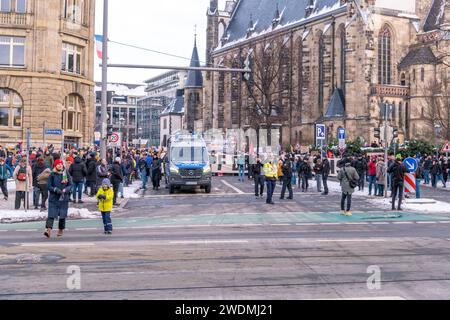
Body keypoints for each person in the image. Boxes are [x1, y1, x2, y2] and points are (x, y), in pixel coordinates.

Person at [45, 159, 73, 238]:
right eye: (58, 164)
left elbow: (70, 184)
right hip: (54, 198)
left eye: (61, 164)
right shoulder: (52, 174)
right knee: (51, 214)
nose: (60, 165)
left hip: (63, 197)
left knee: (62, 214)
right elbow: (49, 186)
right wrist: (55, 189)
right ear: (55, 166)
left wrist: (65, 190)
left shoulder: (65, 173)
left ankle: (61, 229)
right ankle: (48, 229)